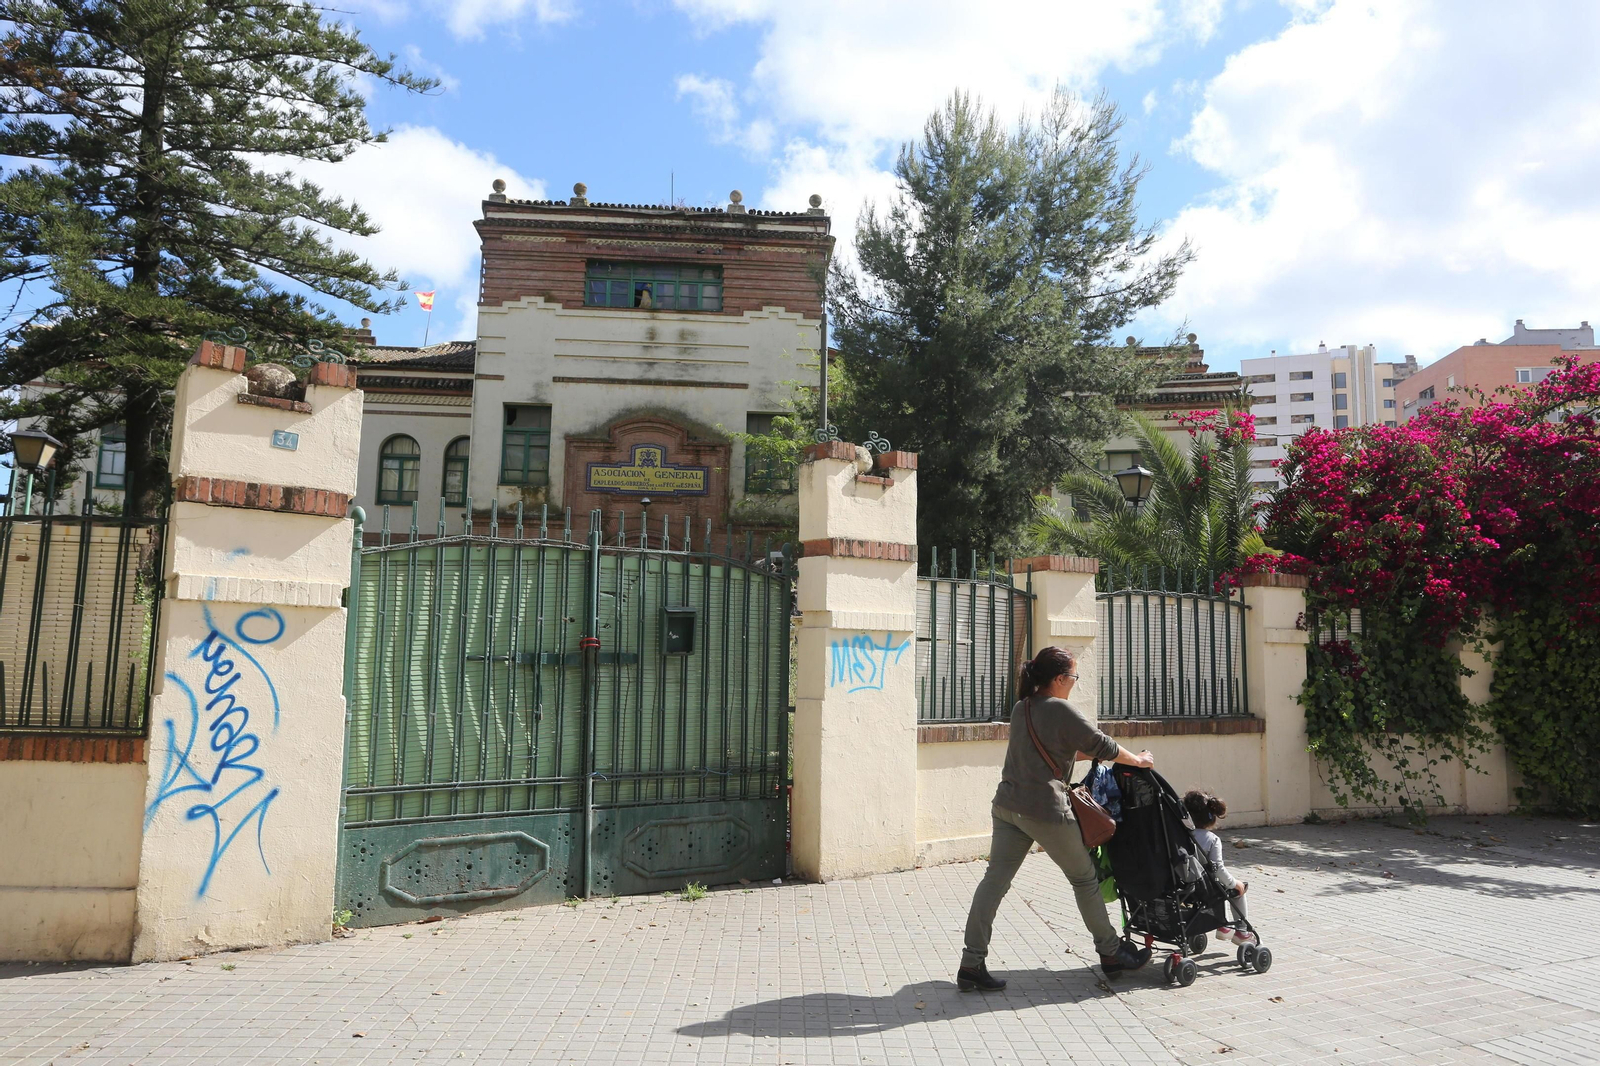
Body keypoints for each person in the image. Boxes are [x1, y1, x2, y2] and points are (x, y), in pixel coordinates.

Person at [956, 646, 1157, 992]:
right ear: (1060, 679)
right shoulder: (1061, 709)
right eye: (1074, 678)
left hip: (1007, 807)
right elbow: (1101, 744)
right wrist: (1136, 761)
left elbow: (1056, 748)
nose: (1074, 684)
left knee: (994, 883)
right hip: (1044, 811)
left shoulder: (1023, 707)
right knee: (1084, 878)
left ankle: (971, 964)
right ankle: (1111, 954)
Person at [1182, 790, 1256, 946]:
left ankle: (1222, 926)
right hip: (1204, 890)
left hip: (1184, 889)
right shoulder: (1212, 840)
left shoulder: (1180, 836)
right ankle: (1242, 931)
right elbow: (1218, 869)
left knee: (1216, 884)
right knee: (1234, 890)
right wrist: (1235, 883)